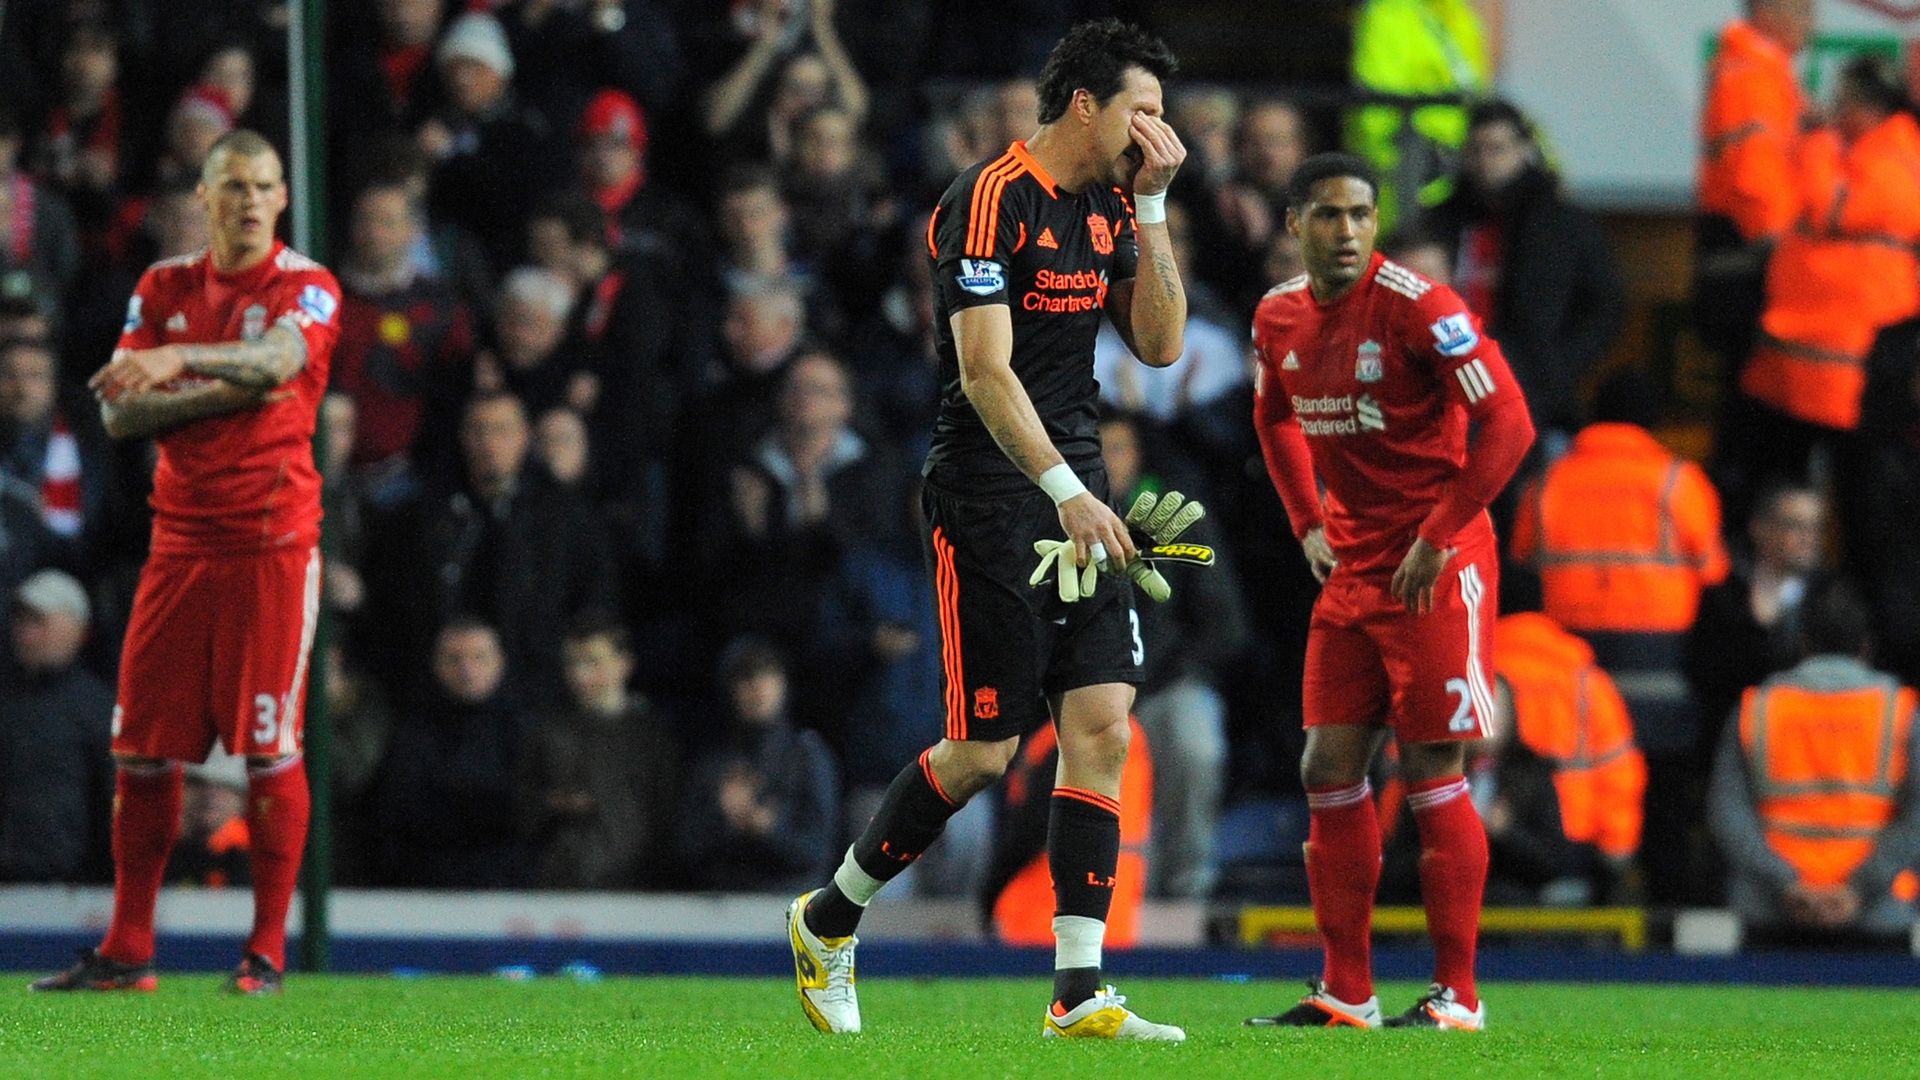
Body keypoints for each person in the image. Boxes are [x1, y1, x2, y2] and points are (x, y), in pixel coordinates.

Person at [785, 19, 1190, 1041]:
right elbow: (983, 372)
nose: (1158, 128)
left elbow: (1159, 342)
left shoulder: (1109, 203)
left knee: (1102, 725)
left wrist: (1151, 206)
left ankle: (1079, 989)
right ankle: (829, 919)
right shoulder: (986, 197)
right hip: (992, 493)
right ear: (1086, 105)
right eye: (1142, 109)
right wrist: (1062, 488)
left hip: (1079, 486)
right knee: (982, 751)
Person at [31, 130, 342, 995]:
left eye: (265, 186)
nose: (250, 201)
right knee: (140, 747)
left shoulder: (308, 286)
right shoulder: (163, 286)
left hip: (271, 543)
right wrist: (224, 386)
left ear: (283, 199)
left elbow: (281, 359)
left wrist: (179, 366)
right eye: (234, 186)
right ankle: (129, 952)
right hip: (179, 542)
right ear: (203, 200)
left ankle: (267, 954)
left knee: (270, 746)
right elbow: (120, 416)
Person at [1247, 152, 1535, 1030]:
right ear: (1294, 224)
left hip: (1439, 565)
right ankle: (1347, 992)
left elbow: (1509, 424)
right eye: (1328, 216)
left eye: (1361, 214)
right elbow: (1273, 416)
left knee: (1430, 769)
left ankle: (1460, 997)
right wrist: (1306, 521)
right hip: (1356, 568)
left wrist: (1440, 533)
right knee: (1327, 767)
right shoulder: (1278, 317)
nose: (1347, 231)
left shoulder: (1422, 308)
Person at [1510, 370, 1729, 903]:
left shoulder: (1548, 484)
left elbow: (1521, 566)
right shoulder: (1679, 482)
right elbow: (1714, 572)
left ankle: (1590, 890)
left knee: (1577, 795)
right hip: (1659, 681)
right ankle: (1666, 909)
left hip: (1573, 682)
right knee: (1663, 808)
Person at [1730, 55, 1920, 506]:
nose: (1834, 111)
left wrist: (1815, 141)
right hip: (1822, 367)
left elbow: (1830, 208)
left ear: (1868, 106)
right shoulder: (1877, 151)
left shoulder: (1894, 156)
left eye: (1843, 101)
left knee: (1858, 502)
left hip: (1850, 371)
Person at [1709, 582, 1920, 944]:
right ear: (1866, 647)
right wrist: (1858, 888)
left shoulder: (1757, 709)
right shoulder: (1899, 712)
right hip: (1877, 913)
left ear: (1802, 644)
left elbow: (1727, 812)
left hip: (1772, 910)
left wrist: (1788, 883)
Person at [1428, 100, 1624, 448]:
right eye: (1476, 149)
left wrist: (1557, 369)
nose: (1486, 160)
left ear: (1524, 151)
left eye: (1498, 149)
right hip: (1449, 390)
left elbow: (1604, 306)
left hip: (1536, 397)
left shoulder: (1561, 224)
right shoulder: (1442, 221)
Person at [1693, 0, 1812, 377]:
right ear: (1765, 12)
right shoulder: (1752, 74)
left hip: (1743, 248)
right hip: (1751, 254)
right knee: (1753, 392)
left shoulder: (1759, 69)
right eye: (1802, 10)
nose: (1810, 23)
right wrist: (1782, 253)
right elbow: (1754, 173)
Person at [677, 637, 839, 892]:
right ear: (730, 690)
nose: (757, 687)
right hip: (724, 909)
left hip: (793, 905)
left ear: (783, 683)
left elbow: (818, 851)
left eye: (767, 675)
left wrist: (769, 829)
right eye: (745, 679)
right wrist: (726, 821)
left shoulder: (808, 756)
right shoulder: (711, 763)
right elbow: (687, 850)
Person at [0, 570, 114, 884]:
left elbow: (116, 805)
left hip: (70, 892)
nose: (25, 633)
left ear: (77, 629)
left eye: (38, 622)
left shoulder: (97, 710)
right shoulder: (7, 702)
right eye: (21, 622)